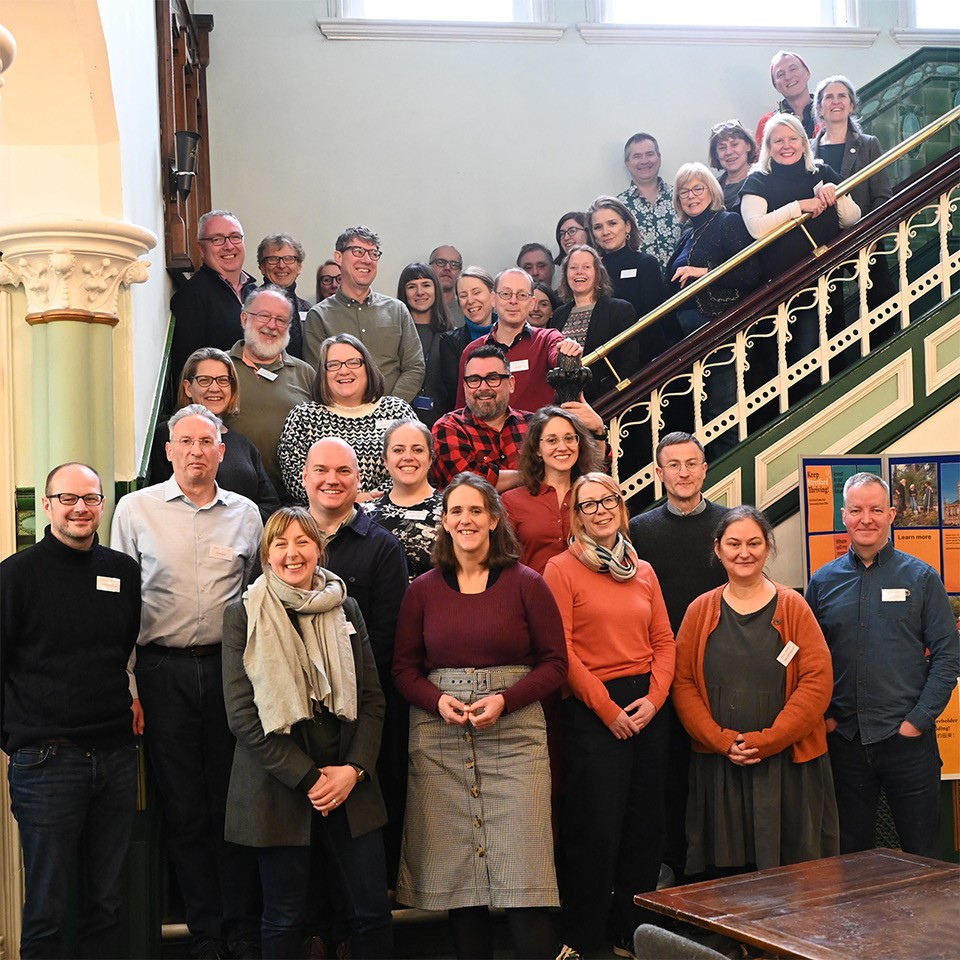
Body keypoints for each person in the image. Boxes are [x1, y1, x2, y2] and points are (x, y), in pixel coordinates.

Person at [393, 473, 567, 960]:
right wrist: (436, 700)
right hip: (441, 739)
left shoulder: (527, 584)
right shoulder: (422, 591)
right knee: (461, 888)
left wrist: (506, 700)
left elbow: (555, 664)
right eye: (456, 512)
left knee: (526, 882)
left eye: (475, 511)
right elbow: (404, 669)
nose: (465, 520)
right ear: (443, 522)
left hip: (515, 739)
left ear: (493, 519)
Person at [112, 405, 263, 959]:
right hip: (161, 672)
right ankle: (205, 934)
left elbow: (258, 603)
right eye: (186, 441)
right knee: (185, 808)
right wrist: (128, 687)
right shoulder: (135, 510)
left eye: (207, 441)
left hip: (229, 672)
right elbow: (122, 609)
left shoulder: (247, 515)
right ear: (169, 449)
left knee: (234, 803)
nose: (197, 451)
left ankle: (244, 929)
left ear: (223, 450)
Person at [221, 507, 392, 959]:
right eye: (280, 544)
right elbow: (243, 716)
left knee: (372, 914)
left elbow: (372, 698)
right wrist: (312, 779)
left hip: (349, 780)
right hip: (278, 784)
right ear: (266, 554)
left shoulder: (346, 606)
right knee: (283, 918)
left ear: (320, 549)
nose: (292, 553)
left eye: (302, 542)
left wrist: (353, 770)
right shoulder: (242, 614)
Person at [1, 463, 141, 960]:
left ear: (103, 504)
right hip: (46, 761)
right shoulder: (16, 575)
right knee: (47, 905)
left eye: (90, 498)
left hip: (116, 757)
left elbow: (120, 647)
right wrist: (20, 737)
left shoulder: (123, 571)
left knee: (105, 903)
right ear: (47, 506)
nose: (80, 508)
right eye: (68, 499)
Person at [543, 473, 675, 959]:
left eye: (608, 501)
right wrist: (606, 708)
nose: (600, 510)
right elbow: (563, 650)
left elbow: (664, 641)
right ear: (575, 516)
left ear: (621, 507)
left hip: (647, 706)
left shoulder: (643, 570)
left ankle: (631, 933)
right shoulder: (560, 569)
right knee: (595, 832)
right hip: (594, 710)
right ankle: (585, 939)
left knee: (645, 831)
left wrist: (655, 700)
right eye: (588, 504)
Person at [672, 505, 839, 877]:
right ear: (718, 549)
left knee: (793, 878)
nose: (743, 552)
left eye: (753, 542)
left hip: (787, 766)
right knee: (726, 880)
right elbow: (682, 684)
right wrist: (721, 740)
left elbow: (816, 680)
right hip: (721, 767)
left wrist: (769, 740)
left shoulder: (794, 606)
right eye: (733, 543)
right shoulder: (700, 611)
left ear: (767, 548)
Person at [806, 473, 960, 860]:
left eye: (876, 509)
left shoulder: (922, 578)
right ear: (844, 516)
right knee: (849, 859)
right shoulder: (822, 583)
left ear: (891, 514)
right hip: (844, 741)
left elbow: (948, 654)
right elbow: (808, 659)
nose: (866, 519)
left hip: (907, 742)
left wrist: (919, 720)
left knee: (922, 856)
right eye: (857, 510)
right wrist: (824, 717)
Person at [301, 438, 410, 883]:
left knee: (361, 837)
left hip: (359, 714)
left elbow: (387, 637)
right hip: (298, 719)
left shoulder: (383, 547)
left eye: (343, 471)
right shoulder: (281, 541)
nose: (332, 480)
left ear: (359, 479)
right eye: (322, 470)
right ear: (304, 477)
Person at [629, 432, 730, 882]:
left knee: (719, 769)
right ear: (658, 472)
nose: (684, 473)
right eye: (674, 465)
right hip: (661, 671)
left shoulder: (731, 525)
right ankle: (672, 862)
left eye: (692, 463)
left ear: (705, 469)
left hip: (722, 668)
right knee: (670, 771)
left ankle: (720, 863)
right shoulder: (640, 531)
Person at [740, 113, 861, 386]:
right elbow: (756, 229)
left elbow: (852, 219)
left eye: (793, 138)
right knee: (802, 360)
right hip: (786, 287)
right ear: (768, 147)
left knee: (833, 352)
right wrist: (799, 206)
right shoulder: (758, 179)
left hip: (828, 279)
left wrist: (836, 193)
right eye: (777, 140)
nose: (786, 145)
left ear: (804, 143)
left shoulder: (823, 172)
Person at [278, 333, 416, 504]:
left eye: (353, 362)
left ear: (367, 367)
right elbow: (295, 479)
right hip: (322, 517)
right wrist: (349, 500)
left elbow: (416, 463)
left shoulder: (396, 411)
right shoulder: (303, 417)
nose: (344, 371)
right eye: (333, 365)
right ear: (323, 373)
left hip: (389, 509)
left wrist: (374, 499)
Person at [148, 347, 279, 521]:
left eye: (223, 380)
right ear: (188, 388)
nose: (215, 388)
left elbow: (270, 503)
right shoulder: (169, 434)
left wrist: (240, 526)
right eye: (204, 380)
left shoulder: (243, 444)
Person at [303, 226, 425, 404]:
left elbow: (414, 367)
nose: (367, 260)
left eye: (373, 253)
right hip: (341, 419)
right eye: (358, 251)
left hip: (392, 419)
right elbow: (318, 376)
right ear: (339, 257)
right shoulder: (319, 316)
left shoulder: (397, 310)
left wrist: (388, 407)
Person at [812, 75, 895, 315]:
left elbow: (882, 194)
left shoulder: (869, 144)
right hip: (824, 244)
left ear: (851, 104)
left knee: (881, 298)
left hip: (864, 236)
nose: (835, 102)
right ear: (819, 108)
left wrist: (873, 235)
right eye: (829, 97)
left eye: (842, 96)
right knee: (830, 312)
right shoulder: (807, 149)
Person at [228, 287, 315, 499]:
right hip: (231, 499)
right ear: (244, 318)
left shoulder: (306, 373)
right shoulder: (218, 367)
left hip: (294, 500)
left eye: (281, 319)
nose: (272, 325)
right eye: (264, 316)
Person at [456, 267, 581, 412]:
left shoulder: (548, 339)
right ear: (493, 299)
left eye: (521, 295)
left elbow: (560, 356)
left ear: (532, 302)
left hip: (536, 433)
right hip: (487, 434)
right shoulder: (472, 350)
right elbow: (462, 409)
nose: (513, 301)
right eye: (506, 294)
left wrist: (568, 351)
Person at [502, 406, 604, 576]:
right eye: (552, 440)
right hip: (535, 596)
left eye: (569, 438)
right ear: (537, 449)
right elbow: (505, 561)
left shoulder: (595, 494)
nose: (563, 447)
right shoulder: (512, 501)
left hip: (590, 595)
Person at [170, 209, 257, 382]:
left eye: (235, 237)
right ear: (201, 249)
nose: (229, 246)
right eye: (217, 239)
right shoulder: (192, 296)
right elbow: (187, 368)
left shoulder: (255, 292)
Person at [431, 344, 530, 493]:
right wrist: (529, 475)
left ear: (511, 384)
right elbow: (467, 486)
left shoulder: (534, 425)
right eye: (474, 380)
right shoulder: (447, 427)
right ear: (464, 386)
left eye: (493, 378)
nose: (483, 387)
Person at [588, 195, 670, 368]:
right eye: (598, 227)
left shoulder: (646, 264)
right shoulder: (592, 271)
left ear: (627, 226)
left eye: (612, 223)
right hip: (604, 361)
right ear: (593, 234)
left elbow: (653, 319)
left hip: (645, 360)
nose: (605, 232)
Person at [549, 244, 639, 402]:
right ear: (565, 274)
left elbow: (628, 364)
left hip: (604, 401)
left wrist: (603, 399)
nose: (579, 272)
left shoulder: (619, 310)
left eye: (586, 267)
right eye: (573, 267)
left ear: (598, 273)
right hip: (563, 404)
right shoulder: (558, 314)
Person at [363, 419, 444, 582]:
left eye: (418, 450)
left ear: (430, 459)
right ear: (385, 460)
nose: (408, 457)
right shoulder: (363, 515)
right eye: (398, 450)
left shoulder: (451, 510)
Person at [435, 266, 497, 415]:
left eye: (476, 292)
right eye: (463, 295)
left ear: (493, 297)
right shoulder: (449, 342)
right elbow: (455, 394)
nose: (470, 300)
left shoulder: (511, 336)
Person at [616, 132, 682, 270]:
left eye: (650, 154)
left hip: (685, 287)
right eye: (637, 156)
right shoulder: (617, 207)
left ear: (659, 158)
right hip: (639, 288)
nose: (644, 161)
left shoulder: (682, 196)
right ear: (627, 163)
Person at [397, 261, 452, 426]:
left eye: (426, 285)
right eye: (412, 286)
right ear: (404, 292)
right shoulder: (395, 334)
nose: (420, 292)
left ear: (436, 289)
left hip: (441, 422)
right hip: (401, 421)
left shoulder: (451, 336)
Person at [257, 233, 311, 360]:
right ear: (262, 267)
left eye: (289, 258)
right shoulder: (251, 305)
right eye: (273, 259)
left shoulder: (308, 309)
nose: (281, 265)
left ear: (299, 267)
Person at [756, 50, 821, 143]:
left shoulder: (829, 113)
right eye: (780, 74)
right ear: (776, 86)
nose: (788, 77)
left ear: (807, 73)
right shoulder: (767, 122)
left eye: (793, 69)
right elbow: (761, 157)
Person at [708, 120, 758, 212]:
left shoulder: (762, 180)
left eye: (734, 144)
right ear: (716, 155)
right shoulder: (712, 188)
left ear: (748, 146)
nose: (729, 152)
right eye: (722, 147)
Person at [429, 244, 465, 327]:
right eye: (441, 262)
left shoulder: (468, 310)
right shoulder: (418, 309)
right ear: (429, 267)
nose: (447, 268)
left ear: (460, 272)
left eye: (454, 264)